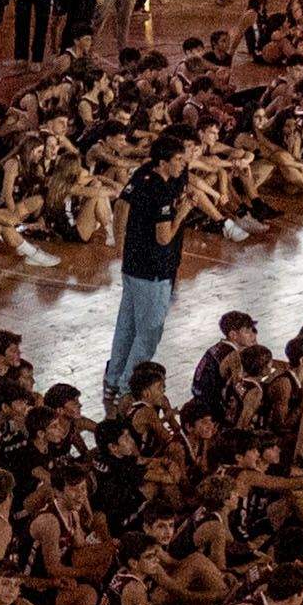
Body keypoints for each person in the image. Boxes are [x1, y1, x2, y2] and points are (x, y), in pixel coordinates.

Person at [105, 132, 189, 406]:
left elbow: (120, 205)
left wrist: (120, 244)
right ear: (164, 162)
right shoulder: (163, 191)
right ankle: (130, 387)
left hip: (132, 266)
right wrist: (183, 212)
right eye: (178, 159)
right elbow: (164, 237)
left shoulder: (142, 175)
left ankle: (112, 380)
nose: (182, 164)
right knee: (149, 333)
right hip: (154, 271)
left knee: (126, 327)